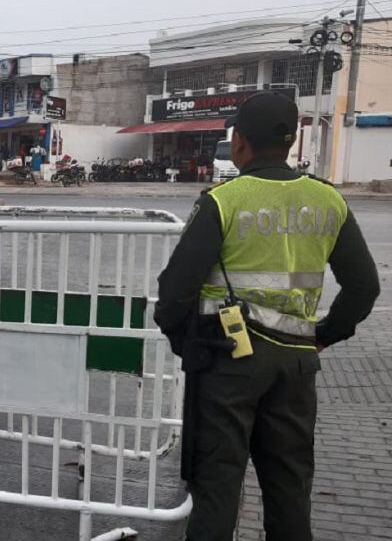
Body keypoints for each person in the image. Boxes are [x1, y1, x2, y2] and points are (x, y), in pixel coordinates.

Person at [154, 91, 379, 541]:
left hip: (227, 364)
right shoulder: (327, 200)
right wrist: (322, 336)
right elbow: (363, 287)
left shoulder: (224, 200)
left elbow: (174, 294)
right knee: (289, 488)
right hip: (296, 364)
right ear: (291, 140)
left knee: (217, 486)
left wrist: (188, 346)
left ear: (239, 141)